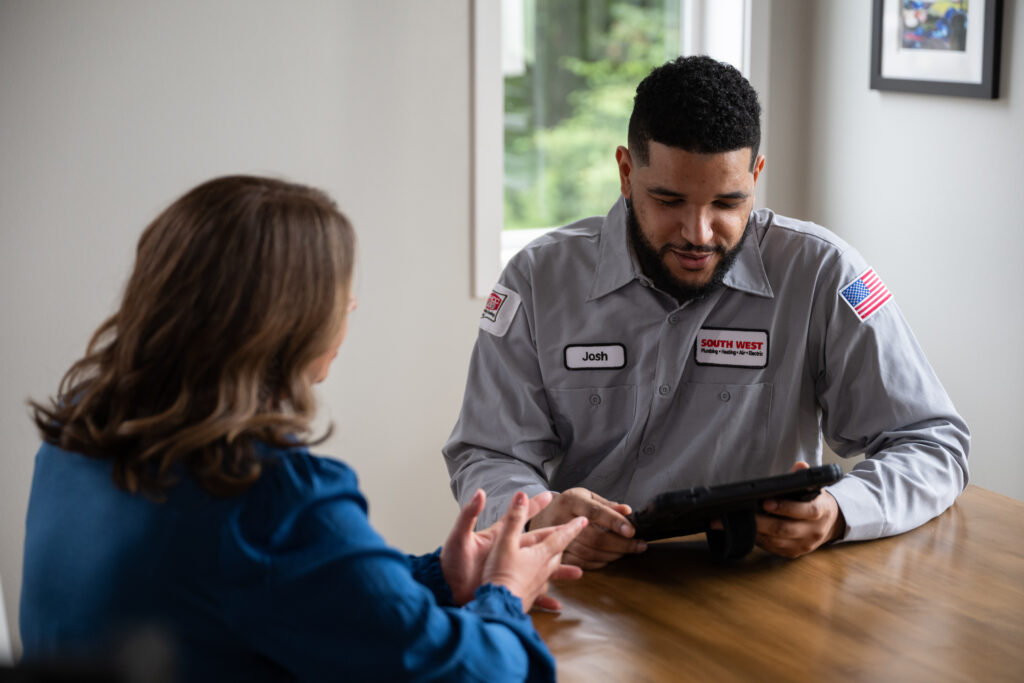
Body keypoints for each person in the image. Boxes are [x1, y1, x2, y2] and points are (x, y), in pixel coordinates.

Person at [20, 176, 587, 681]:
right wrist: (505, 593)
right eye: (339, 291)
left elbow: (285, 591)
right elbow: (475, 672)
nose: (352, 305)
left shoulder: (78, 432)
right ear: (288, 320)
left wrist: (437, 577)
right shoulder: (269, 494)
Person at [443, 55, 969, 568]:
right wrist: (540, 517)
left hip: (756, 588)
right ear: (626, 173)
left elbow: (933, 443)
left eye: (726, 203)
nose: (698, 234)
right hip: (589, 586)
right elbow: (486, 452)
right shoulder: (536, 281)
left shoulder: (824, 273)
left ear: (756, 175)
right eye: (669, 201)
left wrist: (839, 512)